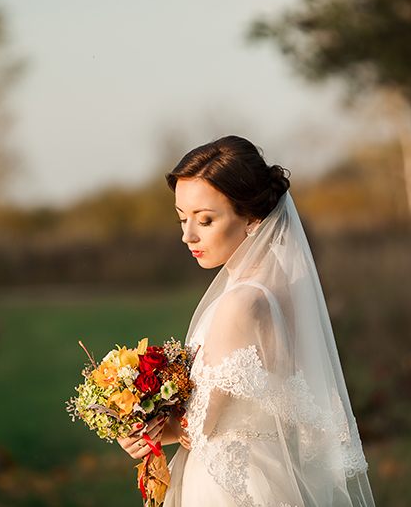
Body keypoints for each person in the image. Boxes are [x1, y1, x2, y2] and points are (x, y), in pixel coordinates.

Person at [118, 136, 375, 507]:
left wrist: (141, 428)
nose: (187, 235)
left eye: (205, 220)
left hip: (229, 484)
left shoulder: (241, 302)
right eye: (182, 218)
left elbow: (198, 425)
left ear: (252, 218)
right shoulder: (288, 288)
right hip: (273, 475)